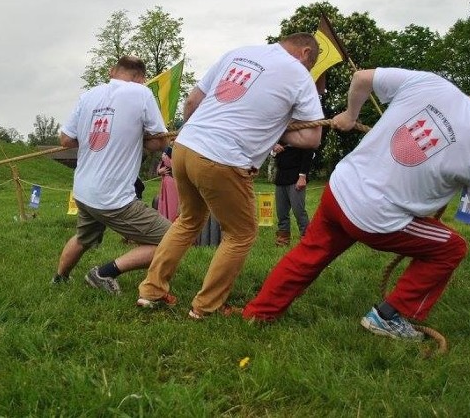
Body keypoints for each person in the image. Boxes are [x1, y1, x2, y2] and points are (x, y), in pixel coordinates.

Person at [242, 69, 470, 341]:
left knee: (309, 254)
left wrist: (351, 115)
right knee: (451, 248)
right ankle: (390, 316)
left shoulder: (429, 82)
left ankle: (259, 313)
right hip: (377, 219)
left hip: (340, 190)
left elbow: (362, 77)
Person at [137, 32, 324, 319]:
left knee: (188, 220)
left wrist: (198, 133)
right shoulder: (299, 74)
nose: (311, 70)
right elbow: (312, 137)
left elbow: (191, 102)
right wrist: (272, 128)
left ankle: (151, 291)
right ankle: (206, 306)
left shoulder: (238, 52)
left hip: (185, 148)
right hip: (221, 157)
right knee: (241, 233)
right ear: (305, 52)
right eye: (313, 63)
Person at [52, 55, 172, 294]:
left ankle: (59, 279)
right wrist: (141, 142)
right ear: (141, 78)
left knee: (83, 238)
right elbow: (160, 141)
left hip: (85, 192)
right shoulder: (142, 93)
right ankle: (104, 273)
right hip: (114, 197)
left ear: (112, 71)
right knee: (173, 240)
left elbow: (65, 140)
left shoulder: (88, 96)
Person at [271, 144, 315, 246]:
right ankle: (283, 238)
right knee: (281, 211)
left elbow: (308, 153)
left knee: (298, 211)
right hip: (281, 177)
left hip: (296, 177)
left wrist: (302, 176)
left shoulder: (302, 136)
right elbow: (272, 151)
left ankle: (307, 239)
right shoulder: (281, 134)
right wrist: (274, 148)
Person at [155, 145, 179, 222]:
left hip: (172, 185)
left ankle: (172, 220)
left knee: (172, 204)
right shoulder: (164, 163)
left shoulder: (172, 161)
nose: (163, 156)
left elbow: (171, 164)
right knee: (164, 203)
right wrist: (159, 172)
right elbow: (160, 167)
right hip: (165, 186)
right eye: (163, 154)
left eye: (165, 154)